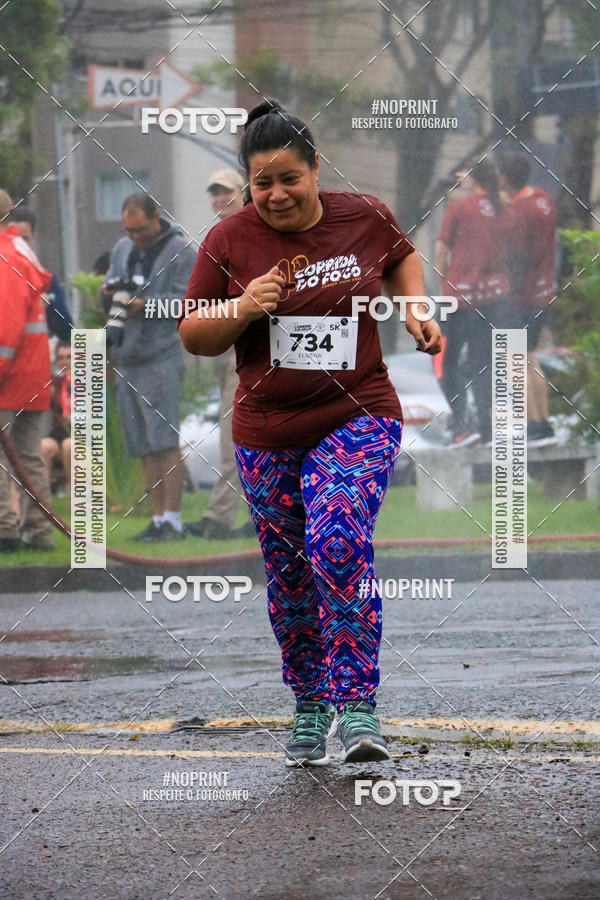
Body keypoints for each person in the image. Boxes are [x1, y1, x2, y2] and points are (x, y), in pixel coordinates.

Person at [179, 100, 441, 766]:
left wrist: (415, 311)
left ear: (316, 168)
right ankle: (310, 703)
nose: (276, 194)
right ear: (247, 184)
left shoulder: (365, 215)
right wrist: (243, 306)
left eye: (289, 178)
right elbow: (193, 335)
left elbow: (402, 256)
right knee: (292, 575)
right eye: (261, 183)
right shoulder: (228, 241)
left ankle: (357, 705)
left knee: (337, 540)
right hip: (266, 433)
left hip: (359, 413)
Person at [100, 194, 196, 542]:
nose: (134, 237)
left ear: (157, 217)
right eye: (128, 230)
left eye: (139, 230)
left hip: (161, 357)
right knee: (142, 444)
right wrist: (107, 291)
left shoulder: (183, 251)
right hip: (127, 357)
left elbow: (187, 303)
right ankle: (157, 520)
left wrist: (145, 305)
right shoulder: (123, 248)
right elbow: (109, 288)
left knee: (163, 441)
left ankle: (173, 520)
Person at [185, 169, 254, 540]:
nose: (217, 199)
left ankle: (222, 517)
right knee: (236, 438)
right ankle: (234, 516)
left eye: (224, 191)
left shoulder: (253, 234)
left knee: (239, 438)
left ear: (241, 193)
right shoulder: (219, 238)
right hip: (229, 349)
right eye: (213, 192)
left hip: (253, 349)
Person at [434, 159, 515, 446]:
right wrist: (471, 179)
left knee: (445, 363)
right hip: (493, 299)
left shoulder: (460, 207)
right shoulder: (503, 207)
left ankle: (462, 426)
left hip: (460, 297)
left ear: (474, 179)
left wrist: (445, 281)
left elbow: (442, 249)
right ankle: (487, 431)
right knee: (483, 365)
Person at [0, 189, 55, 552]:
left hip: (10, 375)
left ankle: (4, 531)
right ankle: (40, 532)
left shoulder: (4, 256)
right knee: (29, 457)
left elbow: (6, 323)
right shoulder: (21, 251)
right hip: (33, 374)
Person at [498, 152, 557, 447]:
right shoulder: (543, 198)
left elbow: (514, 255)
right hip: (545, 291)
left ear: (505, 179)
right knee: (530, 358)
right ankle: (544, 423)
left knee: (516, 360)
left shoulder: (518, 212)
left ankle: (534, 424)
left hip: (523, 296)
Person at [9, 205, 73, 341]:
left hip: (36, 358)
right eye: (14, 239)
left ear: (33, 237)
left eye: (24, 239)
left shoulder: (46, 280)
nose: (20, 245)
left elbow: (68, 330)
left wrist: (49, 306)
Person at [41, 341, 72, 492]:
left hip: (80, 434)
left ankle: (75, 497)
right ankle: (43, 500)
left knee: (69, 445)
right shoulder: (53, 382)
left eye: (69, 357)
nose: (64, 361)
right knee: (43, 446)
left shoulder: (87, 381)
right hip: (58, 433)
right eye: (60, 358)